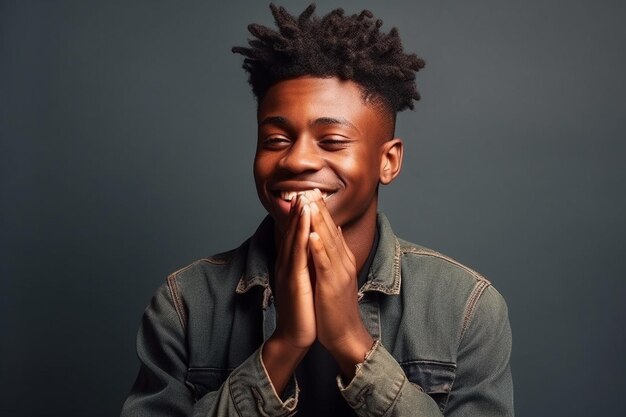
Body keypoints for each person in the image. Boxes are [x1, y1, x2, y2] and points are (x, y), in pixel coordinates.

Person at [121, 4, 514, 416]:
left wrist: (351, 343)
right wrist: (284, 346)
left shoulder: (467, 308)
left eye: (332, 141)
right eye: (275, 140)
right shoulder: (184, 304)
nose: (296, 161)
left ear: (388, 161)